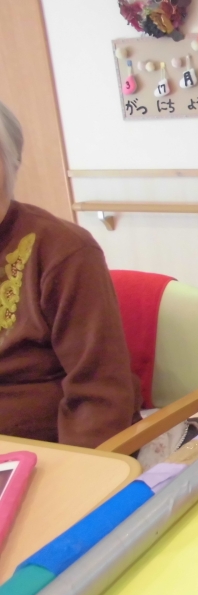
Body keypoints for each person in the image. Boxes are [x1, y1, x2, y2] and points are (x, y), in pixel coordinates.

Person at [0, 101, 142, 448]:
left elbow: (101, 394)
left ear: (10, 165)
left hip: (48, 453)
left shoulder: (65, 251)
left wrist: (79, 473)